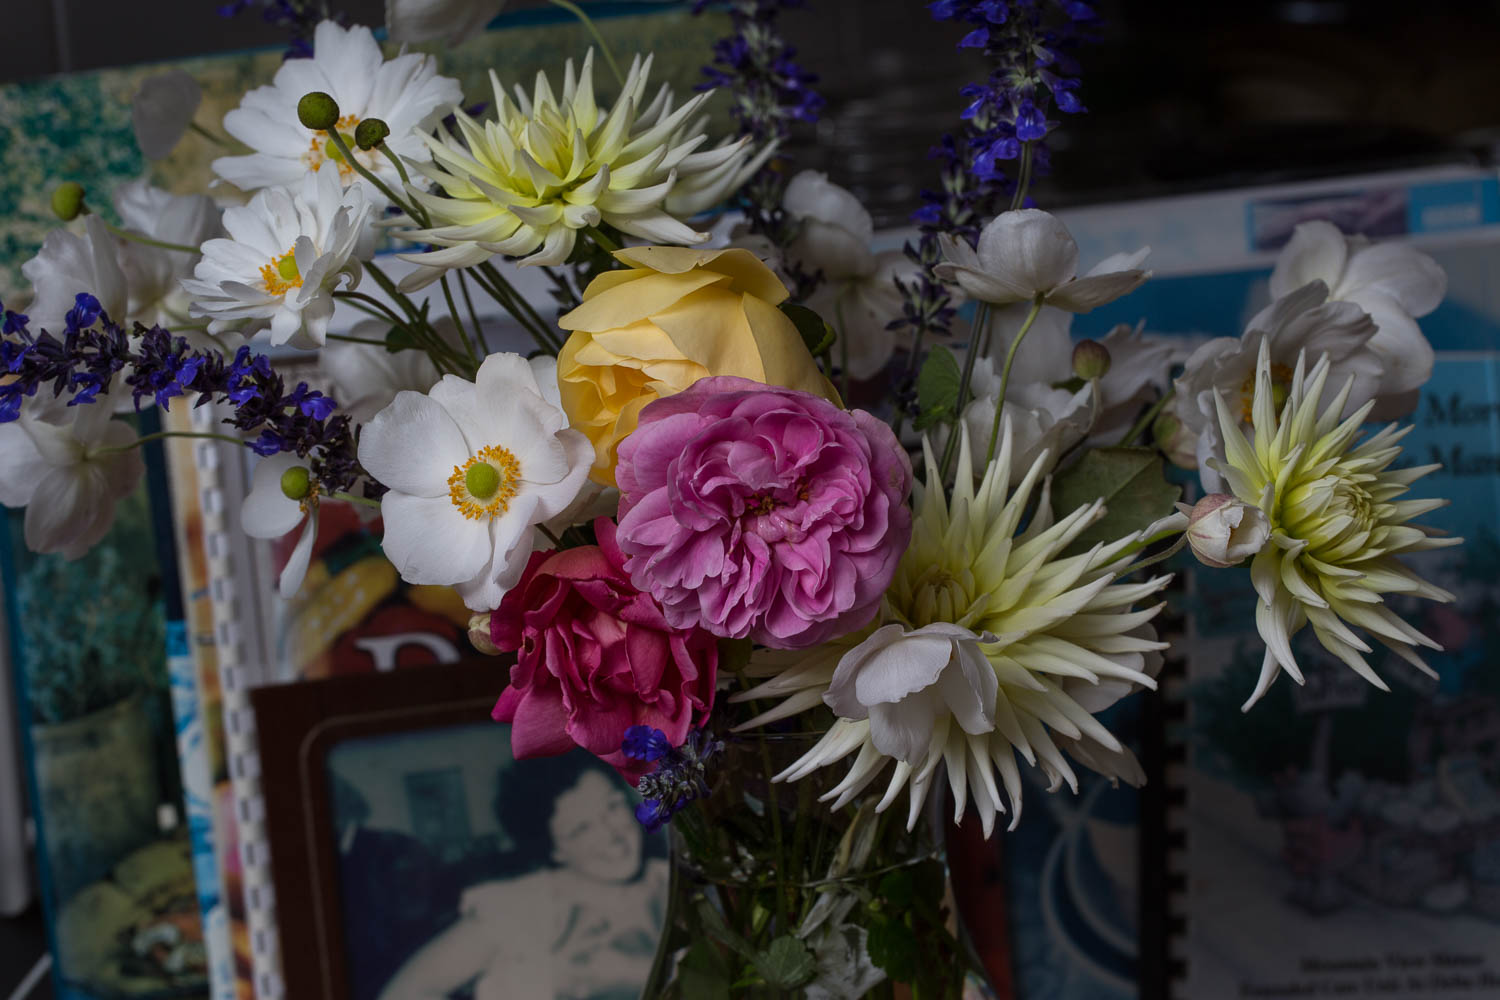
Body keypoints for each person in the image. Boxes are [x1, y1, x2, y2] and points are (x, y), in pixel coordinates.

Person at [376, 752, 666, 1000]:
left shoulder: (673, 881)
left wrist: (630, 971)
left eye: (612, 806)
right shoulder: (520, 907)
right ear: (553, 850)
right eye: (581, 829)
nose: (612, 835)